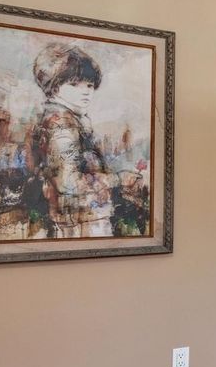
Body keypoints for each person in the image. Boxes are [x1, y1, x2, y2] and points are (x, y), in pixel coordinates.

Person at [24, 42, 146, 238]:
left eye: (89, 85)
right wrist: (119, 179)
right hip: (78, 221)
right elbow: (68, 183)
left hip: (78, 216)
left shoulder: (65, 119)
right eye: (74, 84)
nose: (86, 91)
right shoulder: (61, 124)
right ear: (54, 87)